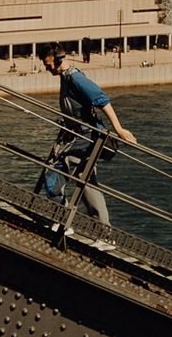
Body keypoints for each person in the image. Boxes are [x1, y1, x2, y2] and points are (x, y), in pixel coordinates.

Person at [36, 43, 136, 227]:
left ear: (57, 60)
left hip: (85, 138)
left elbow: (102, 100)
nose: (46, 67)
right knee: (87, 182)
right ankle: (102, 231)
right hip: (79, 136)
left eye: (47, 63)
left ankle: (62, 220)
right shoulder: (65, 77)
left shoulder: (75, 79)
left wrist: (119, 129)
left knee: (53, 176)